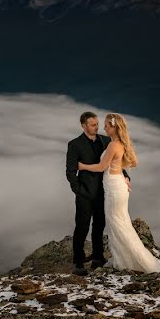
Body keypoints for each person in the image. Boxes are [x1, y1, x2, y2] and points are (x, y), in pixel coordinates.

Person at [78, 113, 160, 273]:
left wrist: (82, 166)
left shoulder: (113, 145)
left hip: (114, 188)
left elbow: (100, 167)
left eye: (106, 124)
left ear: (114, 127)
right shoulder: (118, 143)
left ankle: (133, 261)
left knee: (117, 223)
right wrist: (121, 173)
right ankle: (124, 258)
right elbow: (132, 162)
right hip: (117, 183)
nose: (103, 127)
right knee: (119, 222)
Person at [65, 111, 131, 276]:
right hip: (85, 193)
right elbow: (70, 171)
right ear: (83, 126)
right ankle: (78, 263)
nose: (97, 127)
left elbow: (117, 162)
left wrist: (126, 177)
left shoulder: (106, 140)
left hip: (105, 192)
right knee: (82, 227)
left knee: (99, 226)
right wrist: (78, 190)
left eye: (97, 124)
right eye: (92, 125)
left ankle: (97, 258)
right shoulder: (74, 144)